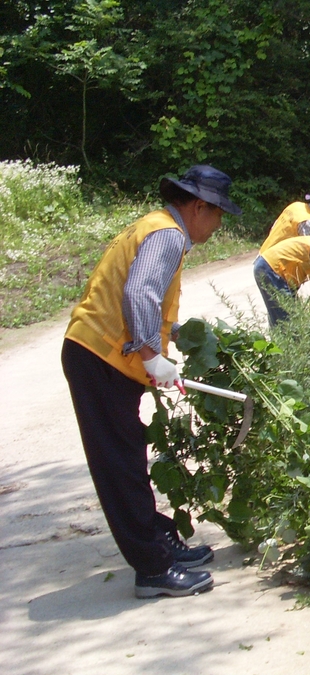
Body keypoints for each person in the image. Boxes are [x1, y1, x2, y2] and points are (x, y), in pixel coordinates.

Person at [61, 165, 241, 598]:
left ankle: (159, 539)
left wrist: (177, 333)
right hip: (98, 357)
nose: (218, 226)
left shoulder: (155, 227)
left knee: (128, 455)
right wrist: (151, 355)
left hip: (102, 358)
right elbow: (138, 292)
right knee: (119, 464)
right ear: (199, 207)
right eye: (218, 215)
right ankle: (153, 569)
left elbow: (146, 296)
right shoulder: (168, 234)